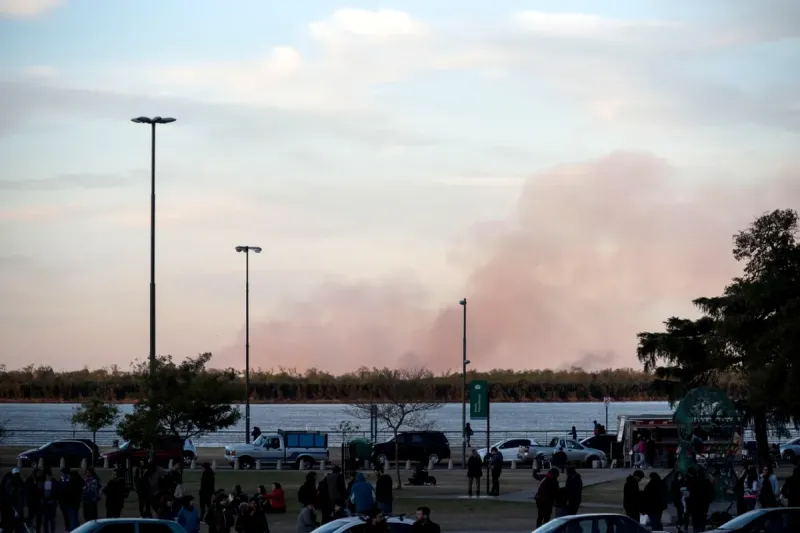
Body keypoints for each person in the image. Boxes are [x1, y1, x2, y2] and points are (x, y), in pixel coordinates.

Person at [37, 468, 58, 533]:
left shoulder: (42, 481)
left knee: (46, 519)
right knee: (51, 519)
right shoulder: (53, 481)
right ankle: (51, 531)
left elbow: (39, 491)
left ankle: (48, 531)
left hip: (46, 502)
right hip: (51, 502)